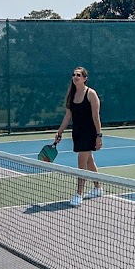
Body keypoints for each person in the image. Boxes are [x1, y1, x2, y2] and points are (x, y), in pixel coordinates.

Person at [55, 66, 103, 207]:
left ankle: (78, 195)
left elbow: (96, 116)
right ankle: (98, 188)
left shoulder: (91, 94)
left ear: (85, 78)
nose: (75, 77)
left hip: (89, 133)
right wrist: (60, 132)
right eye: (74, 75)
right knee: (89, 162)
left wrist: (99, 135)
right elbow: (68, 116)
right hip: (77, 133)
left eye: (78, 75)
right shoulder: (72, 94)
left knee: (81, 163)